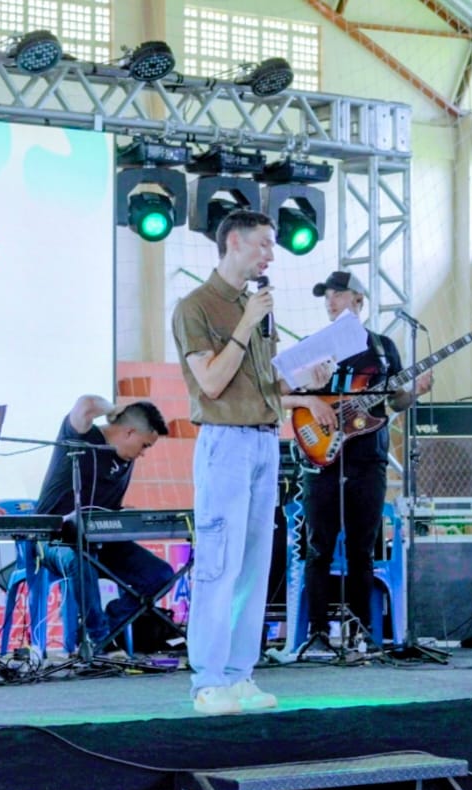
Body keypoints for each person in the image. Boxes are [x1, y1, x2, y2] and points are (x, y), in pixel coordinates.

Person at [170, 209, 331, 715]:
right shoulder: (196, 306)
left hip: (264, 441)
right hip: (225, 442)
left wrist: (304, 380)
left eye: (272, 245)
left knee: (255, 565)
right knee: (219, 563)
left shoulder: (254, 306)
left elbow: (264, 386)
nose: (270, 255)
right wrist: (245, 324)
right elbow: (212, 383)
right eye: (263, 244)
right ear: (234, 242)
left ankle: (240, 674)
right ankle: (207, 680)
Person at [289, 272, 431, 650]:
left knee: (362, 548)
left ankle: (362, 632)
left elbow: (395, 401)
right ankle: (317, 632)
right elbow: (281, 393)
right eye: (327, 296)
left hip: (368, 459)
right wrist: (310, 400)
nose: (330, 301)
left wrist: (414, 391)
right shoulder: (313, 346)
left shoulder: (383, 348)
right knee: (318, 547)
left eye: (338, 294)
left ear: (359, 301)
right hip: (322, 459)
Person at [33, 395, 177, 656]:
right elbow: (85, 404)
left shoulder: (126, 457)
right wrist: (115, 409)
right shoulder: (82, 438)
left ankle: (108, 626)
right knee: (80, 561)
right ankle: (99, 643)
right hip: (54, 539)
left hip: (101, 541)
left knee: (160, 575)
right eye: (144, 445)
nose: (143, 453)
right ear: (129, 432)